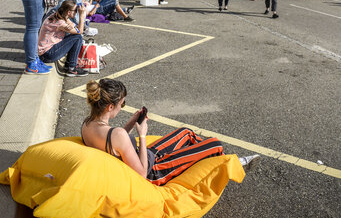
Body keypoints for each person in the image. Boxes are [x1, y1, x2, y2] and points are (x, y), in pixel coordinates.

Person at [81, 79, 260, 186]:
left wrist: (131, 122)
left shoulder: (87, 125)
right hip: (154, 172)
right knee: (215, 144)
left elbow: (113, 142)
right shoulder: (118, 135)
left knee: (186, 133)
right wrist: (142, 134)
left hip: (144, 158)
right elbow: (142, 174)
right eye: (122, 105)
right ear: (111, 106)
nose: (122, 108)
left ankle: (198, 160)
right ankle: (228, 163)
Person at [38, 0, 88, 77]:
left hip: (44, 52)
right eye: (75, 11)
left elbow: (75, 27)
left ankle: (69, 64)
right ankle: (71, 68)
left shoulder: (57, 15)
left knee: (74, 36)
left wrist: (73, 25)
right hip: (47, 54)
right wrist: (82, 16)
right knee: (77, 38)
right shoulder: (60, 23)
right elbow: (80, 31)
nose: (76, 12)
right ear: (69, 12)